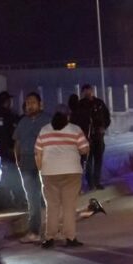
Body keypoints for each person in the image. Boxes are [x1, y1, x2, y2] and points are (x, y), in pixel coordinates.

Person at [35, 104, 90, 248]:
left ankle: (49, 238)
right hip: (71, 172)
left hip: (49, 173)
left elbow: (38, 153)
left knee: (52, 206)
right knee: (69, 206)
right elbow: (84, 149)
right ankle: (70, 238)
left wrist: (41, 169)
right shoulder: (75, 129)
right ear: (68, 116)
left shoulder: (44, 130)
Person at [13, 92, 50, 243]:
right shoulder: (22, 122)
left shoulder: (48, 120)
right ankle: (34, 231)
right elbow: (17, 142)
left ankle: (52, 231)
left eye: (33, 102)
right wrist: (18, 160)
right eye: (28, 103)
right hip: (26, 162)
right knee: (32, 198)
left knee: (49, 197)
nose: (30, 105)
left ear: (40, 104)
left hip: (46, 161)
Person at [0, 91, 25, 209]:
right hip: (9, 149)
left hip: (5, 149)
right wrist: (10, 148)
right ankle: (18, 199)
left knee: (10, 173)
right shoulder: (4, 114)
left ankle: (15, 199)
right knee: (14, 174)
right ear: (6, 101)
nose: (11, 102)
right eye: (9, 100)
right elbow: (4, 133)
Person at [79, 84, 111, 190]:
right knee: (88, 161)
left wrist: (103, 127)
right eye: (85, 91)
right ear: (82, 93)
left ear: (92, 91)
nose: (88, 93)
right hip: (86, 138)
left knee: (98, 159)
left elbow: (107, 117)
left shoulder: (99, 103)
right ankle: (90, 183)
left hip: (98, 136)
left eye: (89, 91)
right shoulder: (81, 105)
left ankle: (97, 182)